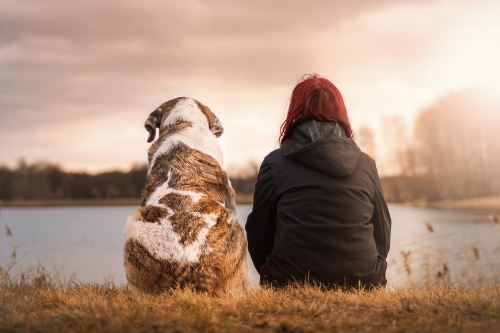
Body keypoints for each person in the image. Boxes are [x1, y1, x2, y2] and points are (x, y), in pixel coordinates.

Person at [245, 74, 391, 289]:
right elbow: (382, 233)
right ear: (340, 112)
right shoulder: (366, 164)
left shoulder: (275, 164)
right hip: (363, 282)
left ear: (295, 112)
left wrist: (272, 273)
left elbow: (258, 232)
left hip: (290, 282)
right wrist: (371, 271)